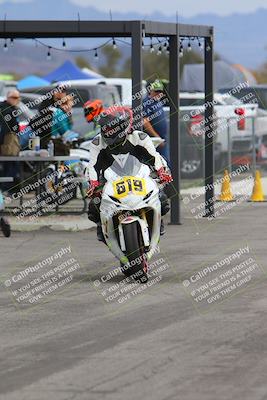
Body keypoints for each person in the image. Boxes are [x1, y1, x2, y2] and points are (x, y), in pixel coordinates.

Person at [85, 107, 173, 241]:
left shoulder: (140, 137)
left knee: (162, 200)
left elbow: (154, 157)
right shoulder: (97, 142)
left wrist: (161, 172)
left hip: (139, 177)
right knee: (94, 206)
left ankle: (157, 221)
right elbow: (92, 165)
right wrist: (93, 184)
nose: (107, 131)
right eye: (104, 128)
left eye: (111, 128)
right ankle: (101, 226)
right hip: (109, 180)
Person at [143, 79, 169, 162]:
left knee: (165, 163)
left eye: (160, 92)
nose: (158, 94)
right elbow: (145, 121)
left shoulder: (158, 102)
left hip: (161, 140)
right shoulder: (147, 103)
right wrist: (157, 137)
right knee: (157, 163)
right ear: (151, 91)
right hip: (153, 141)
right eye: (156, 91)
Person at [0, 90, 21, 192]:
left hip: (9, 142)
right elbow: (4, 128)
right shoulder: (6, 110)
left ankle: (9, 190)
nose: (16, 100)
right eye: (14, 97)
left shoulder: (11, 109)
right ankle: (8, 190)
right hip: (7, 143)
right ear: (8, 98)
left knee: (9, 166)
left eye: (18, 98)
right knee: (10, 166)